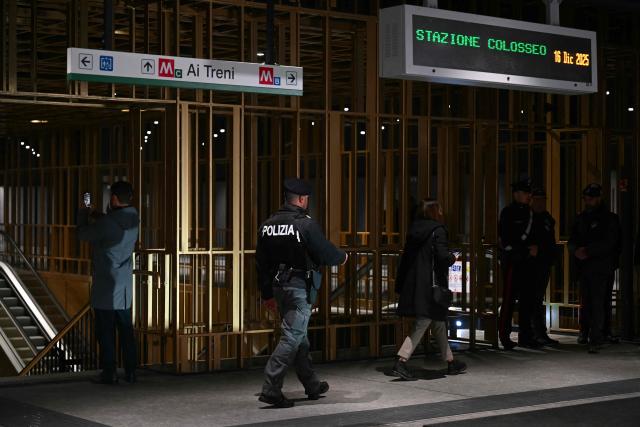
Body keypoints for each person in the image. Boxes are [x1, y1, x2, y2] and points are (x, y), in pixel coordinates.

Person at [256, 178, 348, 408]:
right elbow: (324, 251)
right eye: (306, 199)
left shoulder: (267, 225)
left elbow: (261, 264)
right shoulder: (304, 224)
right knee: (291, 338)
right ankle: (271, 388)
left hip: (278, 289)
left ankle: (311, 384)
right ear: (301, 199)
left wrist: (267, 294)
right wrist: (342, 257)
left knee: (299, 337)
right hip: (298, 287)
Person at [392, 199, 466, 380]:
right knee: (423, 322)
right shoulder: (437, 230)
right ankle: (401, 361)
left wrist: (401, 285)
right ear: (434, 212)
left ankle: (450, 361)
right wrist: (452, 257)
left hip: (416, 283)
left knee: (439, 322)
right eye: (439, 209)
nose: (442, 212)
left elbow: (407, 259)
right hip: (432, 286)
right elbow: (442, 256)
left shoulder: (414, 230)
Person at [77, 181, 139, 384]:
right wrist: (101, 217)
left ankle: (109, 372)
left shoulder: (106, 223)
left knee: (106, 332)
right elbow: (114, 225)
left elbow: (82, 234)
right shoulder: (134, 218)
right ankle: (131, 371)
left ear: (113, 199)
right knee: (126, 331)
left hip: (105, 285)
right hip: (124, 289)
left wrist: (83, 213)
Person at [568, 183, 621, 353]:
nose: (587, 201)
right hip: (585, 266)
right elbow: (572, 239)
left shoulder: (609, 219)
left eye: (590, 198)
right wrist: (575, 250)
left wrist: (588, 251)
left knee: (598, 301)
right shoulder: (581, 218)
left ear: (598, 198)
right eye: (585, 198)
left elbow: (610, 242)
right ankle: (586, 332)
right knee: (587, 301)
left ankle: (597, 336)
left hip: (600, 266)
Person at [498, 177, 540, 350]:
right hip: (513, 262)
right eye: (525, 193)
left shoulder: (530, 212)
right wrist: (525, 250)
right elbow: (506, 240)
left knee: (527, 300)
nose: (528, 196)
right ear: (516, 194)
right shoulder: (508, 212)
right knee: (508, 300)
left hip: (527, 262)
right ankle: (504, 335)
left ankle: (526, 335)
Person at [530, 188, 559, 346]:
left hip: (544, 262)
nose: (540, 203)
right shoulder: (529, 218)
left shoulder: (547, 218)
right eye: (537, 199)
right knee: (533, 299)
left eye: (543, 200)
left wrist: (551, 258)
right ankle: (535, 333)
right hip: (532, 264)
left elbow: (550, 241)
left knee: (538, 298)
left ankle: (539, 332)